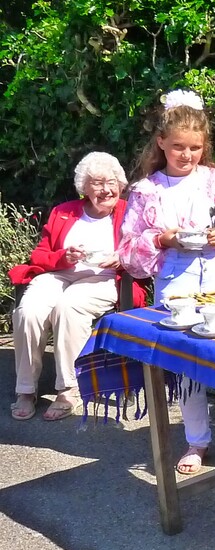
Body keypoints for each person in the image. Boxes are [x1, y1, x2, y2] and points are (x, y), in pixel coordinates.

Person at [117, 89, 215, 483]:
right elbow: (128, 249)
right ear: (162, 143)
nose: (187, 155)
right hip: (177, 286)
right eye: (179, 147)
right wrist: (160, 240)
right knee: (188, 370)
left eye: (195, 148)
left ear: (205, 146)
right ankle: (197, 439)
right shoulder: (147, 191)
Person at [9, 152, 146, 421]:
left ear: (120, 184)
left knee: (68, 307)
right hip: (60, 274)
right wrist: (63, 256)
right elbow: (39, 255)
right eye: (96, 183)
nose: (105, 189)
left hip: (105, 277)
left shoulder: (130, 211)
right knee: (29, 311)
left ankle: (68, 388)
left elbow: (144, 250)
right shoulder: (64, 212)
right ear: (84, 187)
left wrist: (120, 258)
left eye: (110, 182)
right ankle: (25, 389)